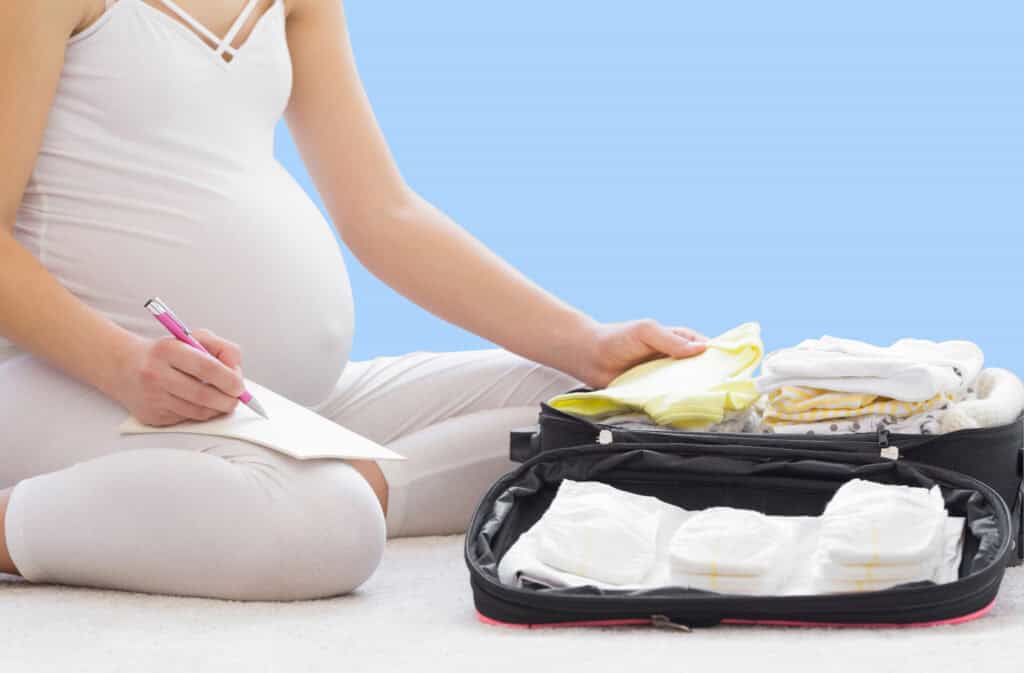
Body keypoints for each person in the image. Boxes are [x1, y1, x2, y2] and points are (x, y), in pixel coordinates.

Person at [0, 0, 707, 600]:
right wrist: (126, 365)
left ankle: (314, 472)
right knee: (331, 525)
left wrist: (587, 342)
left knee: (600, 407)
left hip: (284, 398)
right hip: (81, 386)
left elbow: (382, 215)